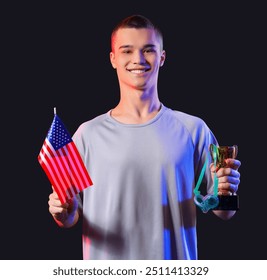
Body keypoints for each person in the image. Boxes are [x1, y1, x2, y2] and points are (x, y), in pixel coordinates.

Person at [48, 14, 241, 260]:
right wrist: (62, 212)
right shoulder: (87, 134)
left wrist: (227, 190)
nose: (138, 59)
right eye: (127, 51)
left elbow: (224, 211)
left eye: (148, 50)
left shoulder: (193, 129)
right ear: (113, 59)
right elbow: (69, 217)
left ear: (162, 57)